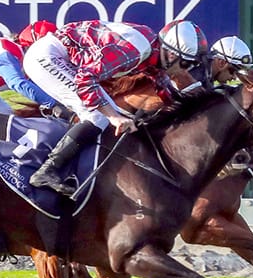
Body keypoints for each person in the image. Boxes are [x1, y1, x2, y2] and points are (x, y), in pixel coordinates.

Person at [22, 18, 209, 196]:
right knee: (99, 116)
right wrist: (114, 117)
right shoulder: (135, 50)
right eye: (186, 63)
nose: (186, 70)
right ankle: (46, 172)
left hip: (63, 58)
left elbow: (162, 85)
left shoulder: (153, 50)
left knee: (113, 113)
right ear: (172, 54)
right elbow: (85, 80)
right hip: (47, 57)